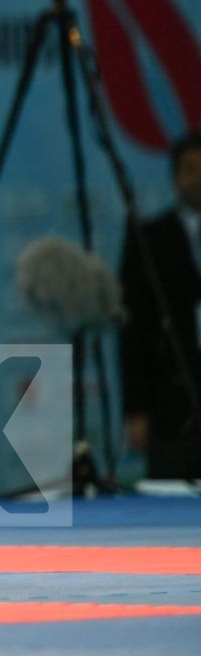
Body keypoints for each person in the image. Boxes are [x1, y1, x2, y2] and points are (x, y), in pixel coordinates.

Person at [119, 131, 201, 479]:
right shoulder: (148, 238)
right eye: (190, 169)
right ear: (174, 177)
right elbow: (133, 329)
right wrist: (136, 408)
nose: (198, 178)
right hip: (169, 399)